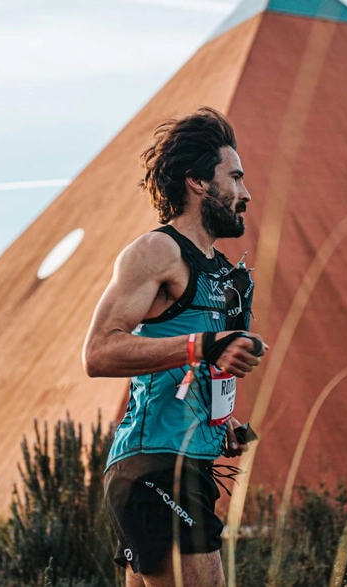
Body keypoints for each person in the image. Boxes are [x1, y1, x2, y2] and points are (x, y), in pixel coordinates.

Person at [82, 107, 269, 587]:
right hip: (157, 463)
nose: (246, 194)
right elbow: (100, 352)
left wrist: (221, 422)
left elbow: (198, 365)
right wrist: (204, 345)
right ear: (198, 183)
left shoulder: (228, 276)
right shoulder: (156, 251)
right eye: (235, 177)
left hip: (191, 464)